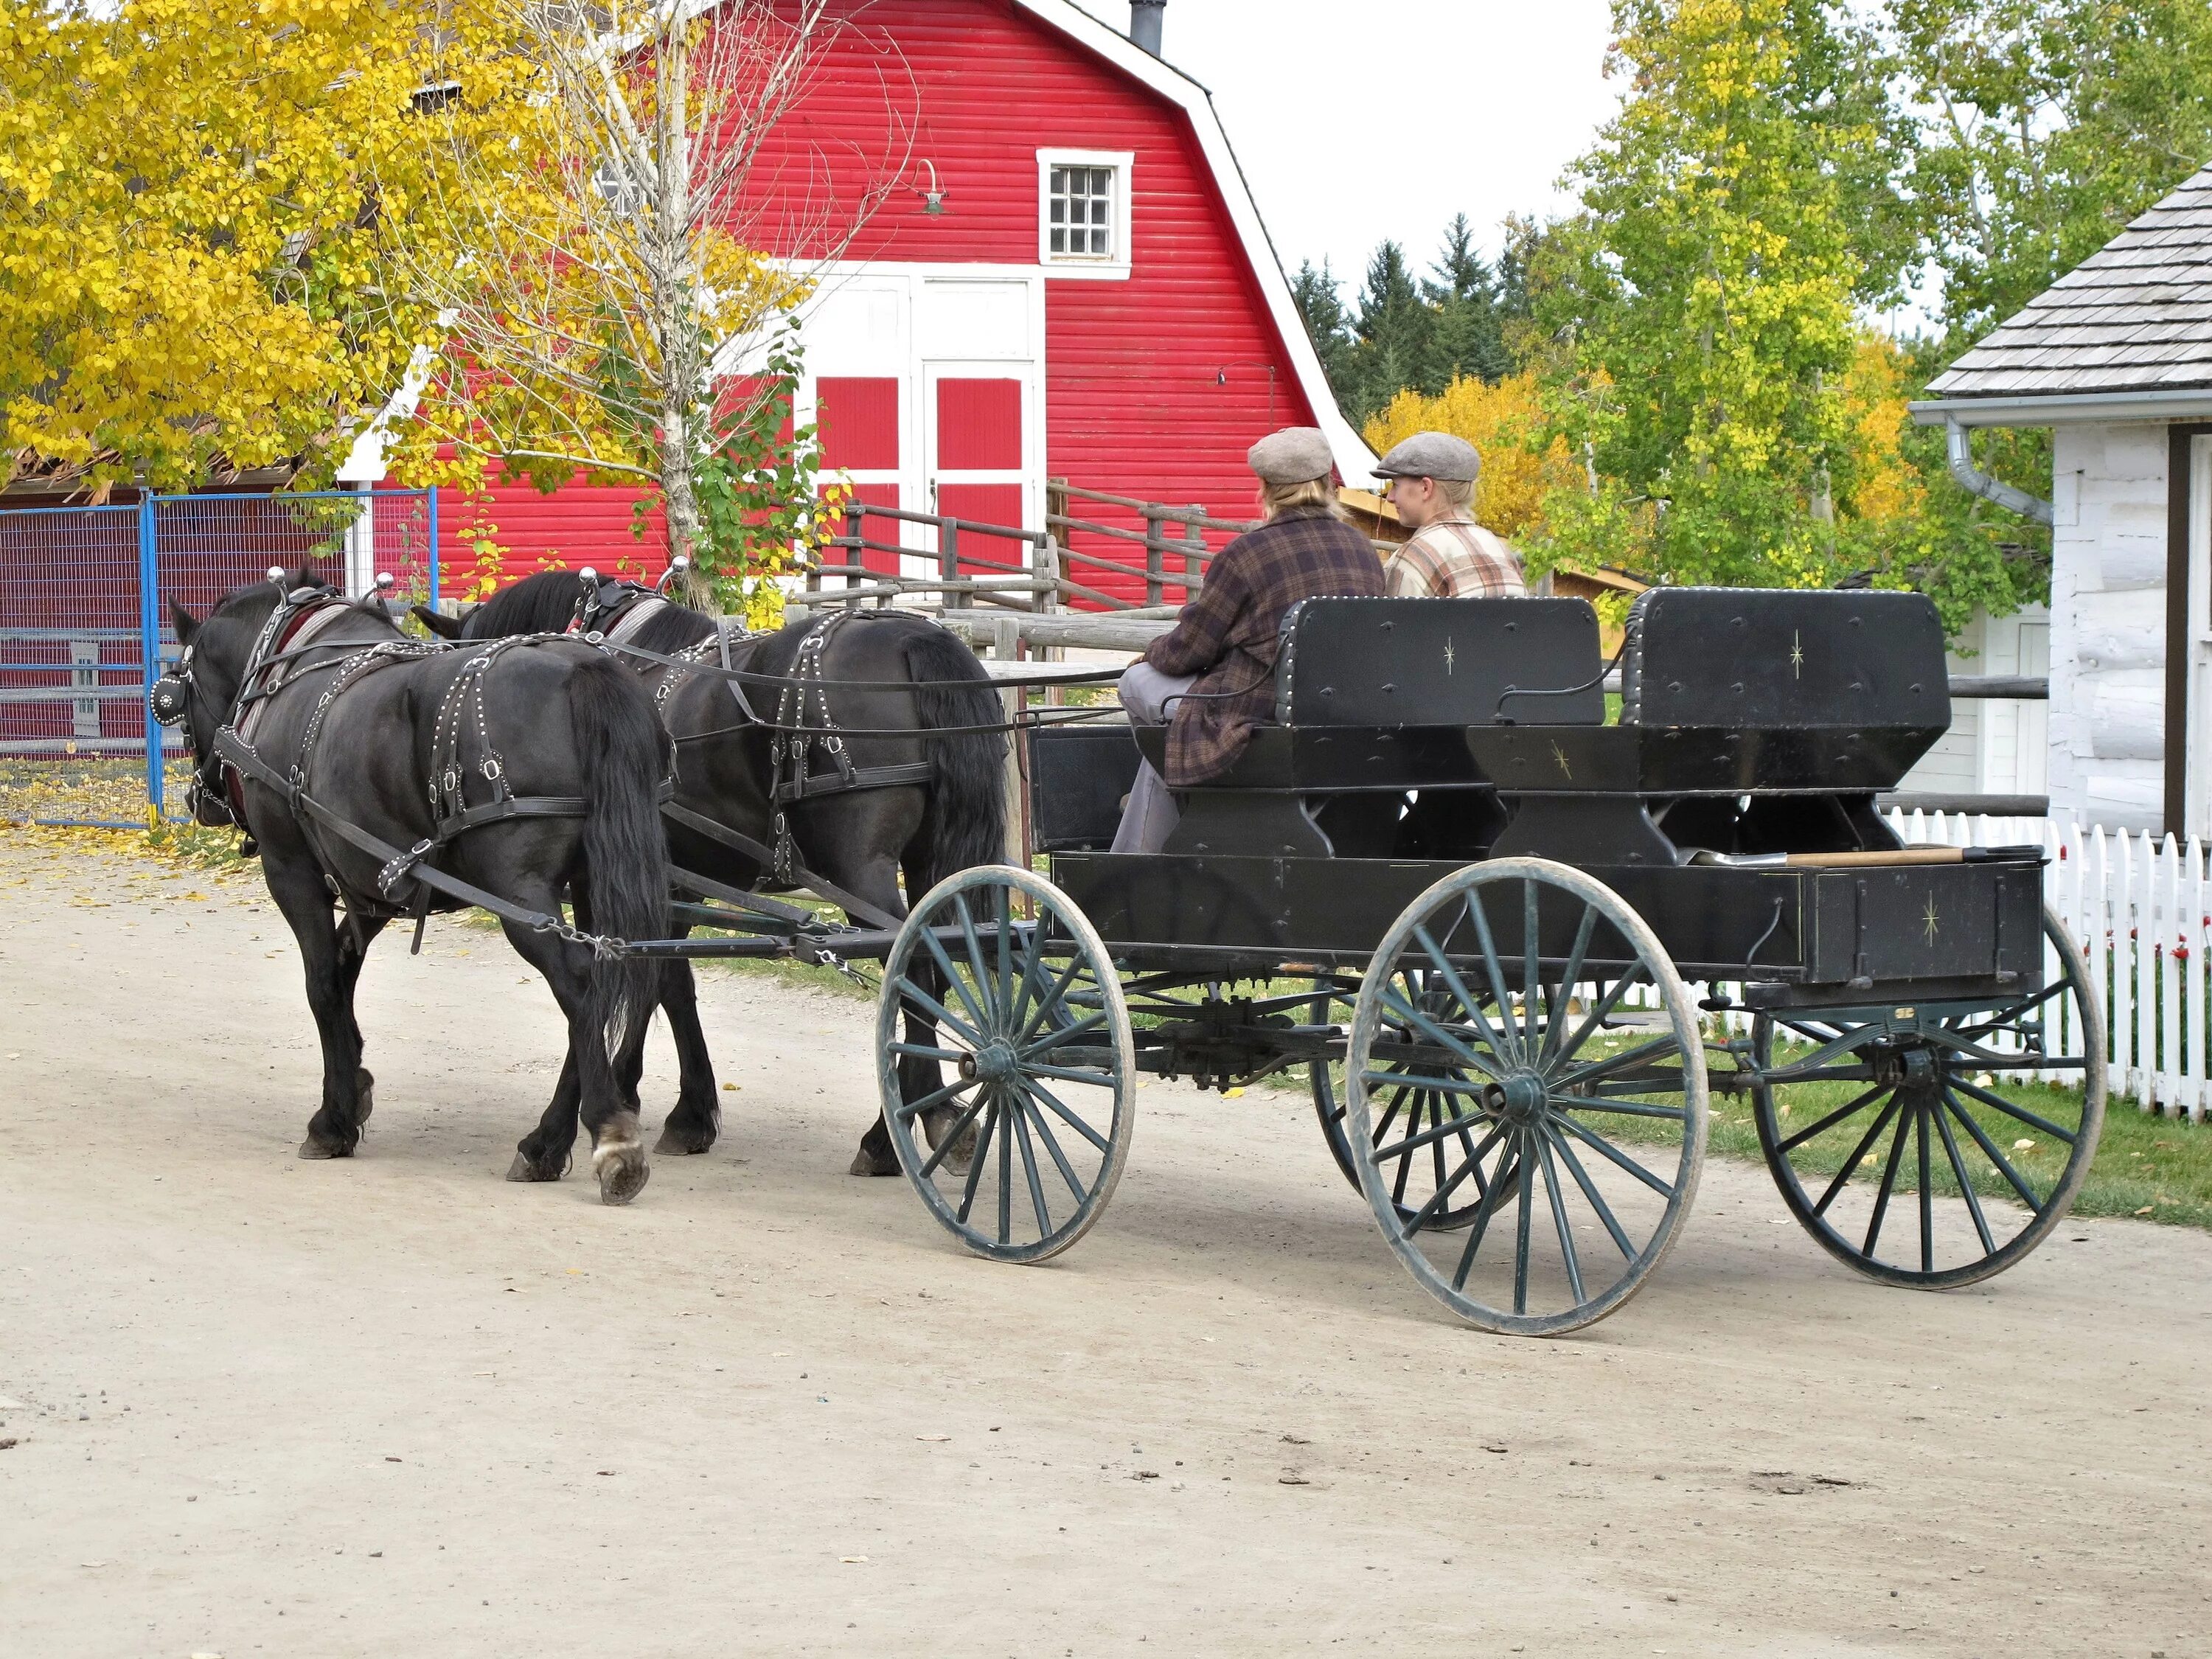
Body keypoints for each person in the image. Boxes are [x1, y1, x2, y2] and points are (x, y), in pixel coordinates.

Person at [1111, 427, 1385, 855]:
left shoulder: (1247, 554)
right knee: (1162, 749)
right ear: (1328, 483)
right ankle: (1167, 783)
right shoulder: (1363, 550)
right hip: (1341, 713)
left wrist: (1147, 655)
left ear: (1266, 489)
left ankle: (1183, 797)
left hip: (1254, 711)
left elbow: (1190, 648)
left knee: (1138, 683)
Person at [1373, 431, 1526, 599]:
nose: (1390, 497)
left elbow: (1392, 624)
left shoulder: (1413, 559)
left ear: (1426, 488)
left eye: (1396, 485)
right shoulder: (1500, 550)